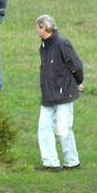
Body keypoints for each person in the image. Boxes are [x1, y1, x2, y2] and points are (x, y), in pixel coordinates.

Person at [36, 15, 83, 171]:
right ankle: (51, 163)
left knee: (63, 131)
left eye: (38, 27)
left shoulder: (62, 43)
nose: (37, 30)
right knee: (43, 128)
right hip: (48, 94)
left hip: (63, 94)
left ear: (45, 28)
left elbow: (76, 65)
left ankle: (72, 162)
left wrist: (79, 82)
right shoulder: (43, 46)